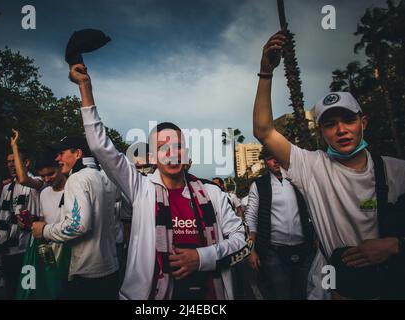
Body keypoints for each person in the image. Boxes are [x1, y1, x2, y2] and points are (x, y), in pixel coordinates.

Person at [68, 63, 249, 300]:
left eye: (177, 147)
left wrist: (202, 257)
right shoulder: (141, 189)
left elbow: (241, 239)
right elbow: (100, 146)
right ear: (152, 157)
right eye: (163, 148)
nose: (172, 153)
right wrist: (85, 87)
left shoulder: (212, 193)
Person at [252, 31, 405, 299]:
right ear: (321, 131)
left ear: (363, 122)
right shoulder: (311, 167)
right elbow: (264, 131)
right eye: (330, 124)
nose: (341, 130)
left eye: (348, 120)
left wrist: (395, 245)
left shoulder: (397, 171)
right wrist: (266, 72)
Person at [31, 136, 119, 299]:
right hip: (111, 268)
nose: (57, 158)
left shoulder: (77, 178)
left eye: (62, 153)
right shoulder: (106, 177)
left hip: (88, 274)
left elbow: (78, 226)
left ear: (78, 153)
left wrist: (43, 230)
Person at [245, 148, 315, 299]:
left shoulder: (297, 180)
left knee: (307, 292)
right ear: (265, 161)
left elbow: (313, 209)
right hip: (274, 252)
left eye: (278, 156)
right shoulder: (259, 185)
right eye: (270, 158)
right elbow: (251, 218)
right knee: (280, 294)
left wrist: (316, 238)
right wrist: (251, 250)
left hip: (305, 249)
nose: (275, 160)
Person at [0, 149, 40, 299]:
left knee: (28, 290)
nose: (11, 165)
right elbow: (3, 217)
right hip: (8, 249)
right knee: (11, 290)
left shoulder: (36, 183)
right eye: (8, 162)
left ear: (26, 163)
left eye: (14, 161)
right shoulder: (6, 189)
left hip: (28, 249)